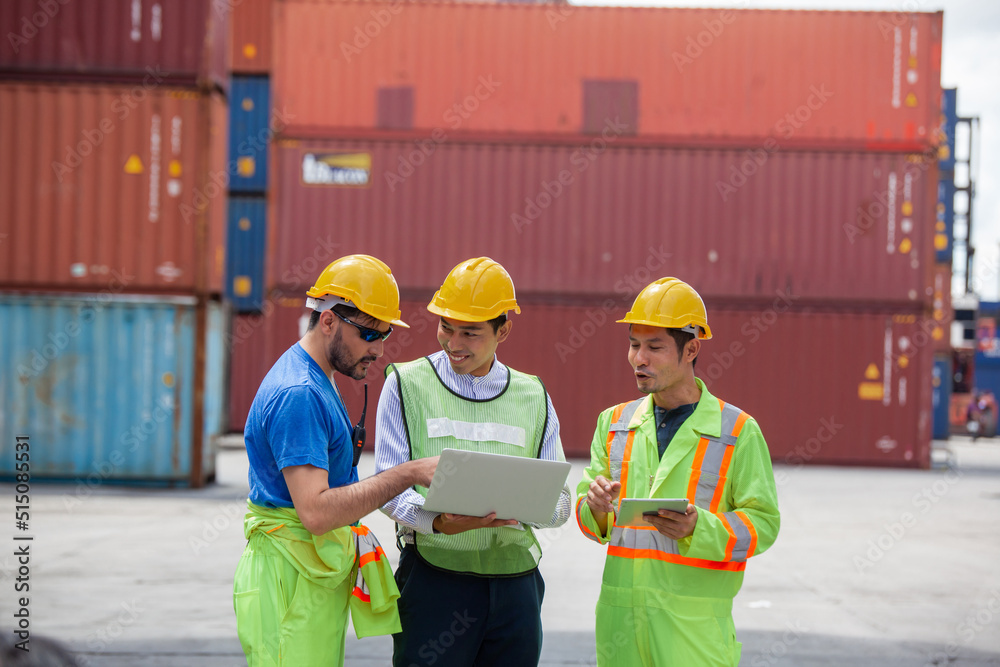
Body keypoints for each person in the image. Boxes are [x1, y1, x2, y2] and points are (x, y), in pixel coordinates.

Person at [233, 255, 438, 666]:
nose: (378, 350)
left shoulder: (318, 376)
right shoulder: (300, 394)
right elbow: (316, 512)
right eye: (368, 335)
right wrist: (409, 473)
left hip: (304, 578)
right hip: (289, 586)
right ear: (328, 321)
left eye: (383, 336)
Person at [375, 257, 570, 667]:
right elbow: (386, 486)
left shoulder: (534, 395)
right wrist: (437, 521)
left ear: (504, 330)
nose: (453, 342)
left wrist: (529, 508)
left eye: (471, 332)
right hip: (434, 582)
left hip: (515, 586)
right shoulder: (406, 384)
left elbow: (561, 502)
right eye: (446, 326)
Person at [576, 277, 780, 666]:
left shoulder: (736, 431)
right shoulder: (614, 423)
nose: (640, 358)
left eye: (655, 347)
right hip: (622, 628)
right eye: (634, 345)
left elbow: (764, 525)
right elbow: (591, 524)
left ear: (692, 349)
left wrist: (697, 529)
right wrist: (597, 505)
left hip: (693, 634)